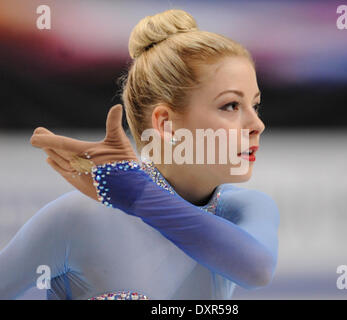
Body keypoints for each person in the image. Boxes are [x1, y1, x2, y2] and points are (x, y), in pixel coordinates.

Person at [0, 9, 279, 300]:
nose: (257, 124)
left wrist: (140, 197)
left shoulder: (246, 208)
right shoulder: (77, 217)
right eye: (232, 106)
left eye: (255, 105)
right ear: (166, 124)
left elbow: (256, 270)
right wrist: (137, 195)